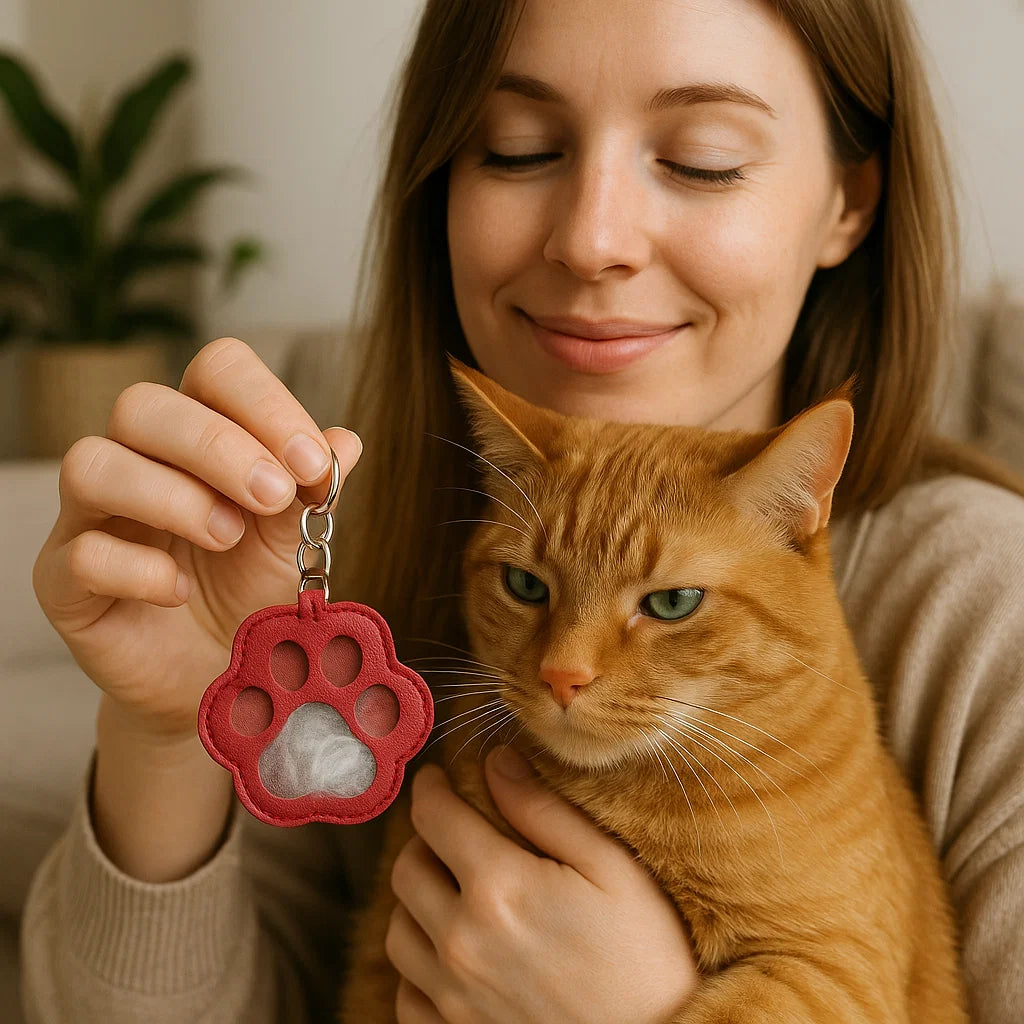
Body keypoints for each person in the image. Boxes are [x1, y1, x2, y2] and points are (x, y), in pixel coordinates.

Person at [19, 0, 1024, 1021]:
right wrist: (167, 735)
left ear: (850, 202)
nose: (591, 242)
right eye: (517, 149)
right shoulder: (356, 577)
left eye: (703, 160)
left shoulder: (992, 607)